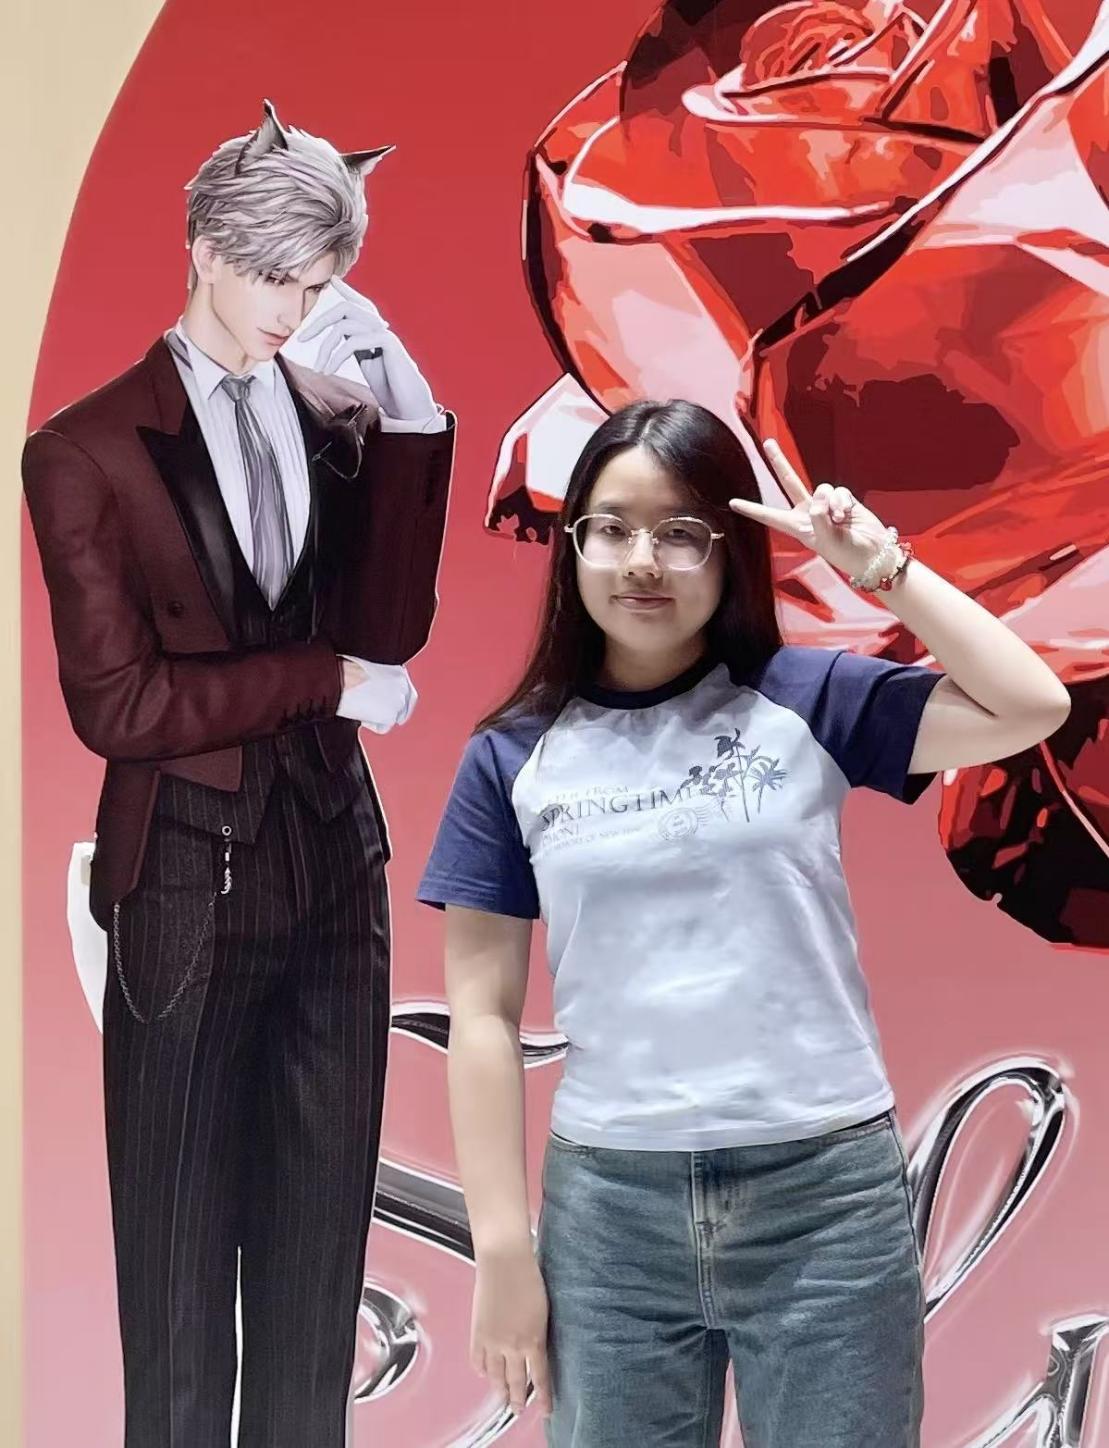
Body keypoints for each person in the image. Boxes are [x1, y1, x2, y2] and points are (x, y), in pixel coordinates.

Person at [417, 400, 1069, 1447]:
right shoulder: (512, 755)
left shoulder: (803, 697)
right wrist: (500, 1246)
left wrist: (880, 569)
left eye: (680, 531)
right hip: (610, 1215)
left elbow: (1030, 704)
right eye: (611, 527)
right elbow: (482, 1014)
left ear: (730, 553)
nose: (643, 560)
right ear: (572, 545)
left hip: (823, 1203)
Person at [22, 100, 454, 1448]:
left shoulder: (340, 413)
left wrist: (412, 421)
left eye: (317, 285)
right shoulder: (84, 450)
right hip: (182, 882)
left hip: (336, 871)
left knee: (317, 1291)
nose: (294, 310)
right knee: (177, 1288)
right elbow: (121, 704)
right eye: (274, 276)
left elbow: (388, 631)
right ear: (205, 247)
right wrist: (323, 682)